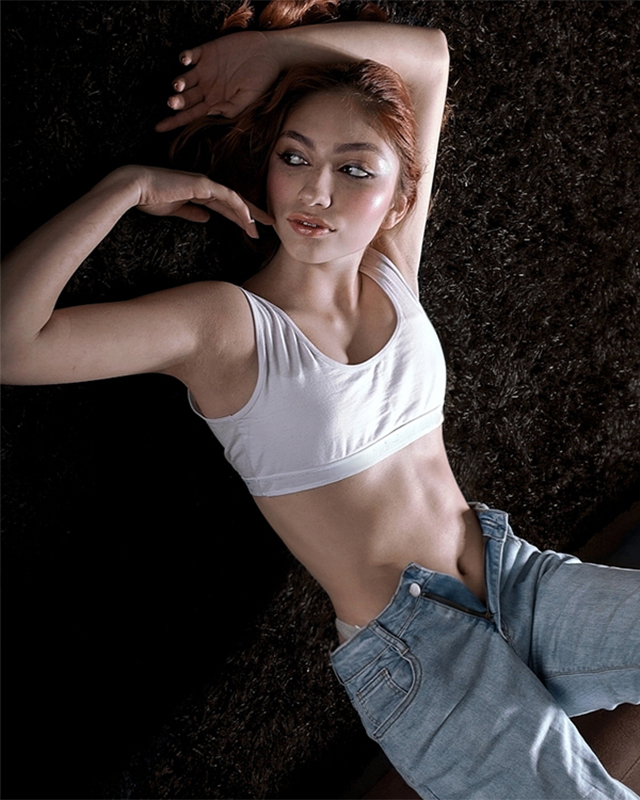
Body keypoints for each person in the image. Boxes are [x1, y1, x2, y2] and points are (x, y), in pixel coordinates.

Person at [2, 2, 639, 797]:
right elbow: (12, 344)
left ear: (399, 198)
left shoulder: (390, 268)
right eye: (295, 157)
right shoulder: (225, 327)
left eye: (354, 168)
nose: (318, 191)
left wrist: (276, 52)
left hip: (518, 579)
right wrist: (125, 189)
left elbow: (429, 61)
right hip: (414, 650)